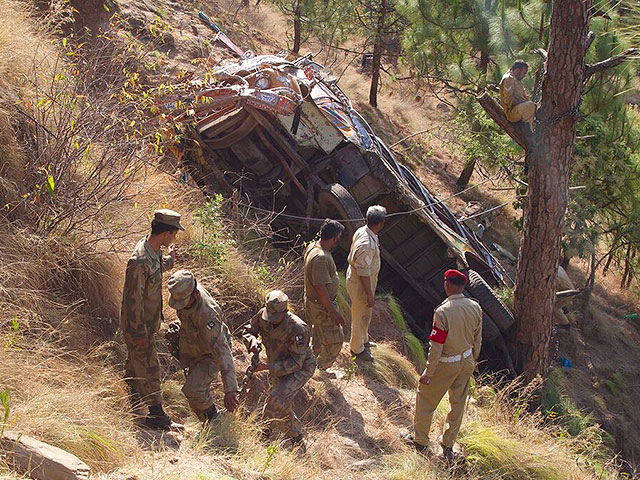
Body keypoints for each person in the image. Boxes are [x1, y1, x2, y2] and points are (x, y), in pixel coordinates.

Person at [120, 209, 184, 430]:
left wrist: (170, 261)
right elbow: (132, 302)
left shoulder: (153, 249)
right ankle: (156, 415)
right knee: (150, 367)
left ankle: (129, 402)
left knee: (134, 366)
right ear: (166, 234)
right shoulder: (138, 261)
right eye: (175, 233)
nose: (175, 237)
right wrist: (138, 335)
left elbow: (156, 270)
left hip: (147, 323)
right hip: (139, 326)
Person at [408, 269, 482, 459]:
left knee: (425, 398)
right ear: (463, 287)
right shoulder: (475, 307)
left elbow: (436, 347)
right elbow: (478, 339)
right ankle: (448, 445)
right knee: (457, 405)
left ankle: (420, 440)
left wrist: (428, 373)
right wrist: (473, 360)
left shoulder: (442, 312)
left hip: (447, 362)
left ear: (447, 285)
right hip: (466, 361)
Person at [242, 290, 316, 451]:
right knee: (280, 403)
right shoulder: (263, 316)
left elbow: (296, 362)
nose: (272, 321)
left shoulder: (298, 328)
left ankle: (264, 434)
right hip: (276, 363)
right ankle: (296, 439)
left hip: (300, 367)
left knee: (276, 397)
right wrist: (252, 341)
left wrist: (267, 367)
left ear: (285, 311)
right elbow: (248, 331)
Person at [166, 270, 239, 423]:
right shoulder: (186, 287)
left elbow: (222, 350)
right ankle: (207, 424)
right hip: (196, 345)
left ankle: (215, 424)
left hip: (210, 353)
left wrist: (230, 389)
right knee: (194, 393)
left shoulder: (208, 315)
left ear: (196, 294)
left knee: (193, 390)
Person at [304, 219, 346, 373]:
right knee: (335, 341)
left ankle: (310, 364)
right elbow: (320, 288)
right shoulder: (321, 258)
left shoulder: (313, 247)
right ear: (335, 238)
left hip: (316, 304)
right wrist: (333, 312)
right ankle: (320, 370)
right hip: (321, 306)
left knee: (319, 336)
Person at [347, 205, 386, 362]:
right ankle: (357, 348)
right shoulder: (367, 244)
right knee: (359, 314)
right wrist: (369, 295)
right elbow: (363, 273)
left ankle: (363, 340)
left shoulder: (364, 231)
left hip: (364, 280)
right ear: (380, 224)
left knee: (365, 314)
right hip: (361, 284)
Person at [499, 59, 536, 132]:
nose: (524, 75)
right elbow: (507, 101)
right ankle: (528, 132)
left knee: (533, 106)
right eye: (523, 73)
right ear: (517, 70)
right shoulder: (508, 80)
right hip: (512, 112)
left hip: (518, 110)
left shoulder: (517, 79)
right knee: (529, 106)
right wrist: (523, 103)